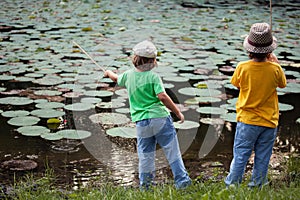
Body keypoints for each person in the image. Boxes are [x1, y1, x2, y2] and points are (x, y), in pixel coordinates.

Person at [104, 40, 191, 190]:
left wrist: (108, 72)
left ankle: (146, 186)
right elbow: (162, 96)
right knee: (172, 151)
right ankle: (182, 183)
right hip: (160, 119)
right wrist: (177, 112)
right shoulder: (153, 77)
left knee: (145, 155)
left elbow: (115, 78)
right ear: (152, 61)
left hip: (142, 122)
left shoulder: (128, 75)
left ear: (135, 58)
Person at [225, 22, 287, 188]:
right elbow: (282, 84)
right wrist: (275, 63)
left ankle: (232, 185)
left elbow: (236, 84)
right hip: (269, 121)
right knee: (263, 156)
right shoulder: (275, 69)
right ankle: (257, 185)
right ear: (269, 50)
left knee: (240, 155)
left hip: (247, 121)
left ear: (249, 49)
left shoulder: (242, 67)